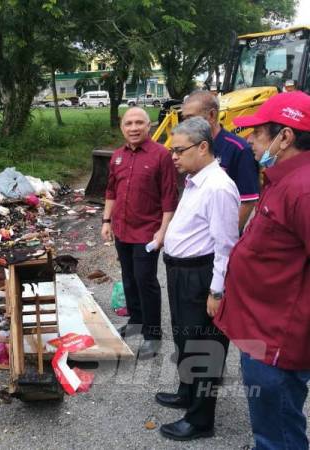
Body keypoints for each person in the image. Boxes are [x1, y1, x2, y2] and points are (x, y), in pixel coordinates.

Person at [214, 91, 310, 449]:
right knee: (270, 427)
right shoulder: (282, 178)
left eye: (257, 132)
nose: (249, 140)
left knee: (281, 431)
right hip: (263, 334)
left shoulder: (303, 189)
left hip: (279, 342)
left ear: (284, 137)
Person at [156, 117, 239, 441]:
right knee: (184, 338)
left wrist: (216, 291)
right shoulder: (195, 180)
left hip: (201, 275)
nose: (174, 156)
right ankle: (187, 393)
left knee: (204, 347)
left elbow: (226, 246)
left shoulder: (218, 187)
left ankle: (201, 420)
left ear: (203, 147)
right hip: (180, 272)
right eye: (172, 150)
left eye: (179, 150)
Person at [101, 107, 178, 359]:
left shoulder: (161, 155)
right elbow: (111, 191)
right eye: (128, 123)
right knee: (129, 277)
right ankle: (136, 320)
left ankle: (152, 335)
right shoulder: (117, 156)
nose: (133, 128)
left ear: (149, 126)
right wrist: (106, 221)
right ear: (122, 127)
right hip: (122, 229)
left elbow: (169, 198)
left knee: (146, 281)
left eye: (139, 123)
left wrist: (162, 232)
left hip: (147, 232)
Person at [181, 90, 259, 232]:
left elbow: (247, 201)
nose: (186, 124)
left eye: (191, 118)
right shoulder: (191, 146)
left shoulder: (239, 149)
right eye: (184, 118)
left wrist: (227, 237)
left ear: (212, 115)